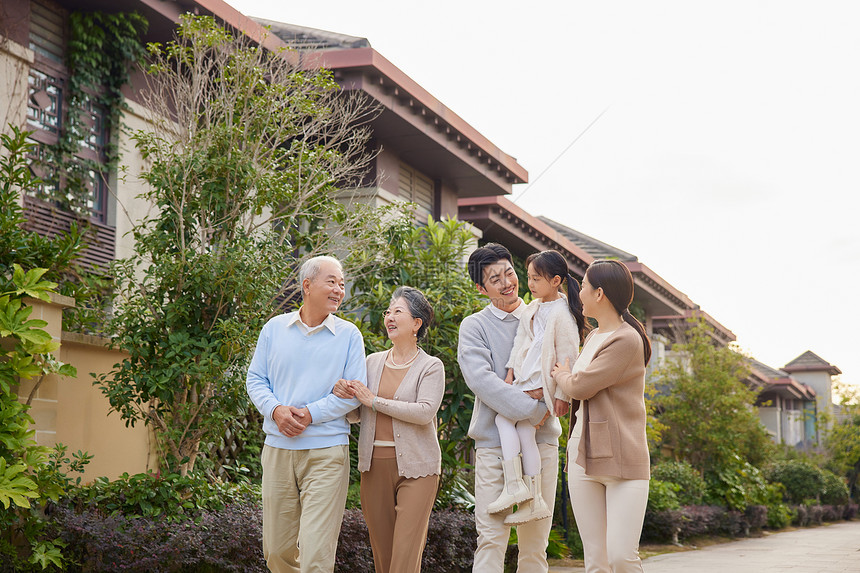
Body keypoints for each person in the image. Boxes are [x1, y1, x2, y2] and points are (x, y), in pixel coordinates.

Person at [246, 255, 366, 573]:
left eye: (342, 284)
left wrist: (310, 414)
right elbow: (255, 379)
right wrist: (276, 410)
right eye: (332, 282)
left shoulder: (350, 336)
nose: (339, 290)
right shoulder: (274, 329)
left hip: (327, 453)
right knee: (276, 551)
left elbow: (354, 394)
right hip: (278, 450)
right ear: (307, 285)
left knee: (316, 553)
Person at [457, 243, 560, 573]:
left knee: (534, 547)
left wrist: (545, 405)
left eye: (509, 273)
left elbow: (562, 367)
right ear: (480, 287)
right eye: (494, 278)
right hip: (492, 447)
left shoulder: (545, 317)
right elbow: (482, 381)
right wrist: (534, 410)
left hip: (541, 444)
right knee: (490, 539)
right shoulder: (474, 326)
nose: (506, 283)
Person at [333, 286, 444, 573]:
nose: (389, 317)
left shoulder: (431, 367)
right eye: (388, 312)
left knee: (405, 555)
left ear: (416, 323)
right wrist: (345, 394)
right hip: (374, 466)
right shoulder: (371, 362)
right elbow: (358, 414)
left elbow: (424, 412)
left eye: (398, 311)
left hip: (418, 468)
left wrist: (374, 401)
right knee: (382, 553)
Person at [551, 259, 652, 573]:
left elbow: (582, 386)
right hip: (583, 455)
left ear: (600, 294)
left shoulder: (626, 340)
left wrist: (562, 375)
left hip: (625, 459)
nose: (578, 293)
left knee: (621, 558)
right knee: (596, 561)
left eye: (583, 286)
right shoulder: (592, 337)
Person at [489, 250, 587, 525]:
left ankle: (514, 486)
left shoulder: (562, 312)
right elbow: (520, 342)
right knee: (522, 430)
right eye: (529, 277)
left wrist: (561, 396)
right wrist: (510, 371)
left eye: (536, 279)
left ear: (556, 280)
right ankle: (535, 499)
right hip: (524, 379)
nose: (530, 284)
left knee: (502, 418)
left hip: (540, 385)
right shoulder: (532, 308)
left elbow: (568, 355)